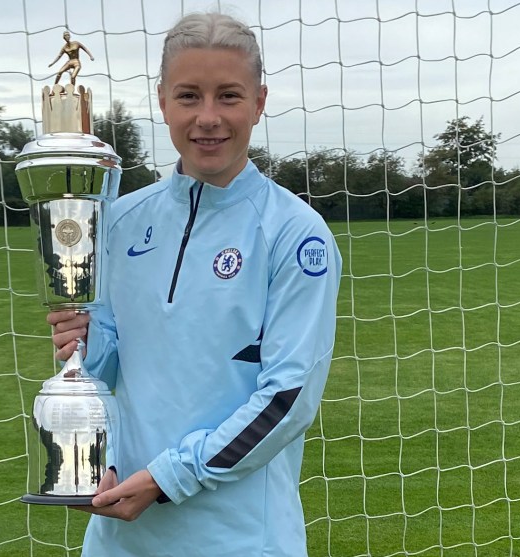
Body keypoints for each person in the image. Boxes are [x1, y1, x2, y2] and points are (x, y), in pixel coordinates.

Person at [47, 11, 342, 557]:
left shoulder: (296, 234)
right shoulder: (118, 220)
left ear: (259, 101)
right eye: (189, 96)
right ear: (162, 102)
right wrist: (82, 344)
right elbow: (112, 366)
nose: (208, 117)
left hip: (239, 539)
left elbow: (287, 400)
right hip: (121, 537)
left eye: (228, 96)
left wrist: (168, 478)